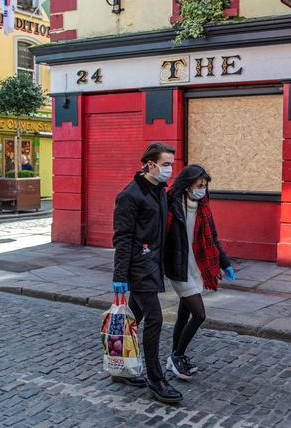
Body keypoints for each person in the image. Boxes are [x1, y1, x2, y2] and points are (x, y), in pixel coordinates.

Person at [112, 142, 183, 404]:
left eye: (172, 165)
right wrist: (120, 276)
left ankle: (121, 368)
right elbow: (122, 238)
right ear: (150, 164)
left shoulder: (159, 191)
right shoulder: (130, 195)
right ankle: (156, 378)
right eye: (166, 164)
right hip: (138, 267)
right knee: (155, 319)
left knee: (132, 319)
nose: (170, 170)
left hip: (154, 264)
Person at [163, 165, 236, 381]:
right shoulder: (171, 204)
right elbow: (159, 234)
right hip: (178, 267)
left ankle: (175, 356)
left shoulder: (203, 206)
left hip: (196, 267)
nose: (202, 189)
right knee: (199, 315)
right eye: (199, 185)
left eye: (204, 186)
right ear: (187, 185)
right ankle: (176, 356)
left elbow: (212, 237)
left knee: (184, 315)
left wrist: (225, 263)